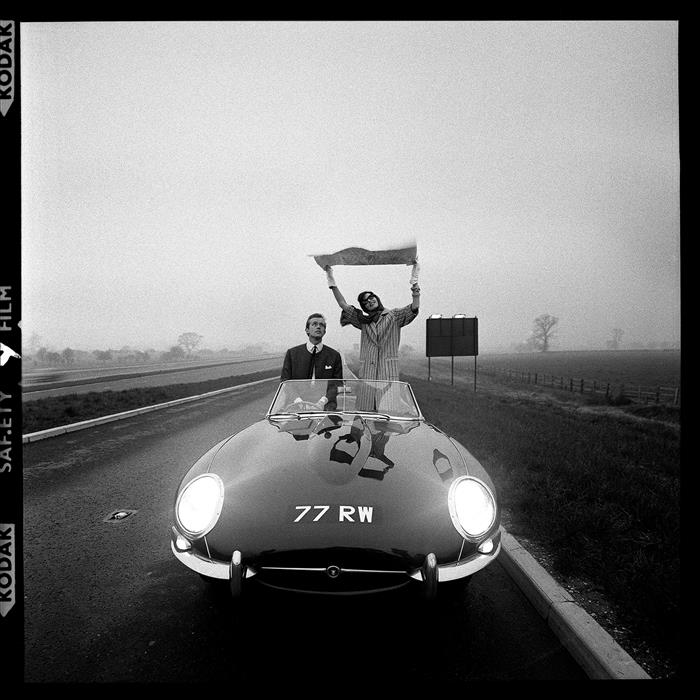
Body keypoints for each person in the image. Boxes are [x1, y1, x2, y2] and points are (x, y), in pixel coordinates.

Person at [324, 263, 420, 411]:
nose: (369, 301)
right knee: (364, 411)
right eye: (365, 302)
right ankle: (356, 434)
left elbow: (413, 308)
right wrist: (331, 280)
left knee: (386, 414)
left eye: (371, 297)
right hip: (367, 373)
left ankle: (382, 432)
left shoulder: (393, 316)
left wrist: (415, 286)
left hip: (387, 373)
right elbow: (343, 304)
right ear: (363, 307)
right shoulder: (362, 321)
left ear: (377, 298)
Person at [281, 313, 343, 409]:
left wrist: (322, 402)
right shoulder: (292, 353)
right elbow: (286, 382)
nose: (318, 327)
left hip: (326, 406)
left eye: (321, 325)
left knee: (333, 423)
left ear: (324, 331)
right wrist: (299, 402)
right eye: (314, 324)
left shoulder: (334, 355)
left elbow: (337, 384)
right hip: (295, 406)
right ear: (307, 330)